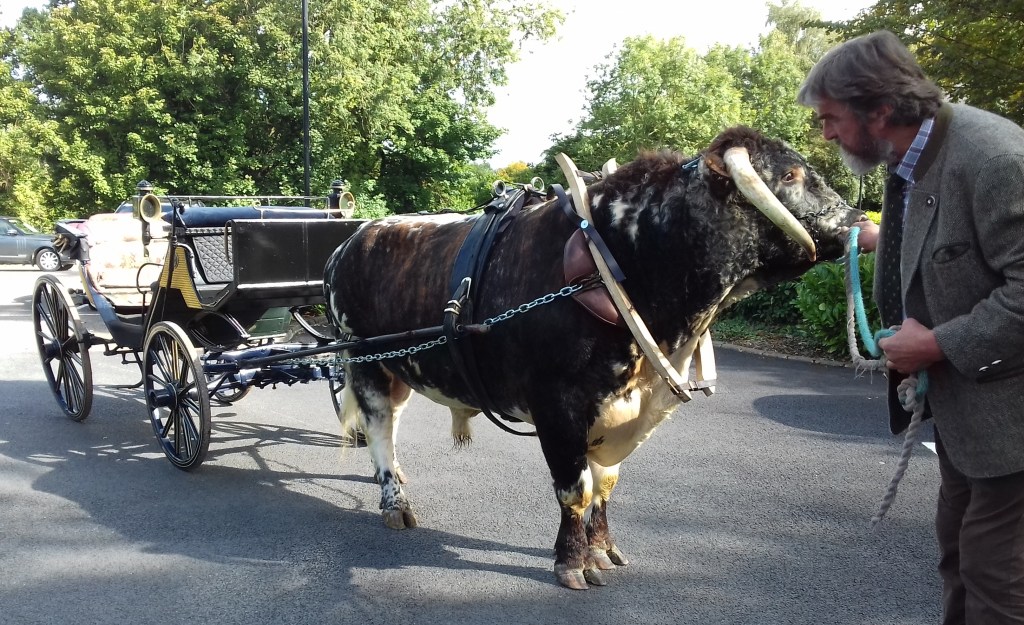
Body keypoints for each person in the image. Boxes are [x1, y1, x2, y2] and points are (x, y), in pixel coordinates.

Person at [797, 30, 1024, 624]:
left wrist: (938, 344)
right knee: (959, 558)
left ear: (879, 109)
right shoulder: (915, 155)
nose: (825, 134)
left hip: (1012, 426)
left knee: (996, 579)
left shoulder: (994, 159)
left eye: (831, 118)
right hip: (967, 418)